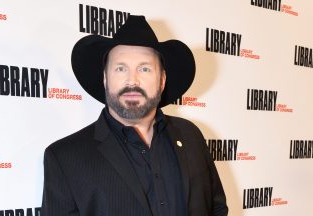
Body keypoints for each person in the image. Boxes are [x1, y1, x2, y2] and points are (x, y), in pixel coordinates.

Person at [41, 15, 228, 216]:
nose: (132, 81)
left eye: (145, 69)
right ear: (105, 78)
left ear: (162, 80)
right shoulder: (65, 157)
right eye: (121, 69)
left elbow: (216, 208)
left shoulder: (191, 136)